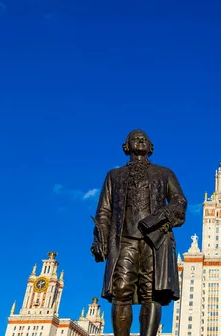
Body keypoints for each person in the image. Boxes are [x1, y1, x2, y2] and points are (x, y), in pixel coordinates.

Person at [91, 129, 187, 336]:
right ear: (127, 146)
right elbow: (104, 211)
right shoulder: (114, 175)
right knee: (120, 291)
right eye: (135, 138)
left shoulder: (164, 173)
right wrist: (100, 239)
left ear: (150, 146)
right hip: (124, 240)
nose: (141, 140)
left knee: (151, 294)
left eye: (144, 139)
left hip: (155, 241)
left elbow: (180, 202)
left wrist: (160, 217)